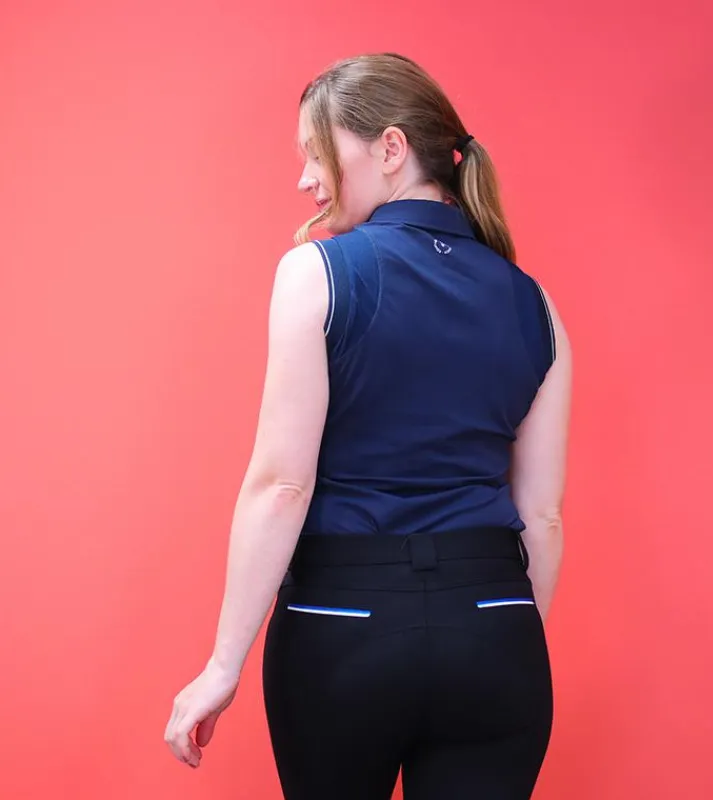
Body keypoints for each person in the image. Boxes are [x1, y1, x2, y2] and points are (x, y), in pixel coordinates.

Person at [165, 52, 572, 799]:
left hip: (343, 626)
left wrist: (223, 665)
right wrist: (498, 637)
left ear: (390, 149)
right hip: (495, 631)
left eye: (316, 152)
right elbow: (541, 516)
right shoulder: (535, 303)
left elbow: (283, 486)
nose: (305, 179)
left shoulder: (316, 274)